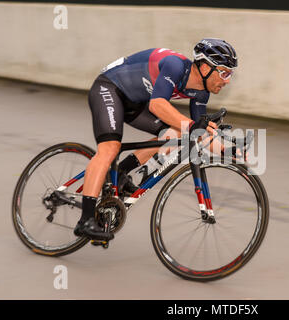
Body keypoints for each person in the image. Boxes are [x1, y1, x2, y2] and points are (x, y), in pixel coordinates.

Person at [73, 38, 238, 240]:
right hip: (109, 88)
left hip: (134, 102)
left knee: (178, 132)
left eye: (230, 74)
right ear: (205, 68)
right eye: (224, 72)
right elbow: (157, 105)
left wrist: (228, 150)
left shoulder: (202, 93)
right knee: (109, 149)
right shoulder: (175, 65)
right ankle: (86, 220)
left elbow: (198, 134)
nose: (227, 80)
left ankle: (122, 171)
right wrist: (193, 126)